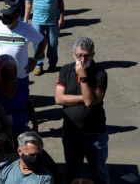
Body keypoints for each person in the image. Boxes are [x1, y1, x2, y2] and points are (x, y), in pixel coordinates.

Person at [55, 37, 109, 184]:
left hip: (95, 134)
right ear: (73, 54)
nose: (83, 58)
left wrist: (83, 76)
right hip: (71, 133)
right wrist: (84, 97)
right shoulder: (66, 70)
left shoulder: (100, 74)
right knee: (73, 174)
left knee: (99, 173)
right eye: (79, 55)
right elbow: (59, 98)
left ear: (93, 55)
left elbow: (91, 101)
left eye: (87, 55)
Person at [0, 3, 48, 85]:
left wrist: (35, 60)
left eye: (8, 15)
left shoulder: (26, 28)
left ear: (17, 15)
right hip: (0, 74)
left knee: (21, 97)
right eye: (4, 14)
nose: (5, 18)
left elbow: (43, 42)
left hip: (20, 75)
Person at [24, 0, 65, 75]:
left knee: (53, 42)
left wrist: (62, 16)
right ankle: (38, 64)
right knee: (37, 42)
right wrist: (25, 20)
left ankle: (52, 63)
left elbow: (60, 0)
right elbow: (28, 3)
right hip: (37, 19)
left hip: (53, 19)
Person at [0, 55, 38, 142]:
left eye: (12, 70)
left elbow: (28, 103)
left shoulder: (22, 85)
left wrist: (35, 123)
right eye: (5, 71)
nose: (10, 74)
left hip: (21, 131)